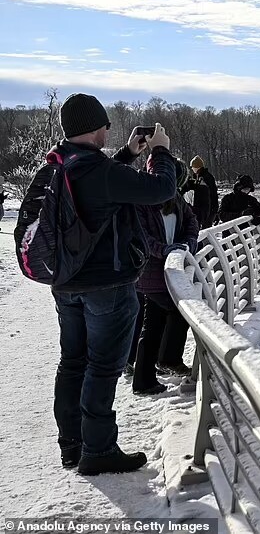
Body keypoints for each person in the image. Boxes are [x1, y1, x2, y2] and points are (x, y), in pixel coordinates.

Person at [17, 93, 176, 476]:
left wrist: (126, 154)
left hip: (66, 283)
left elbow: (98, 189)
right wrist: (161, 152)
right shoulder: (99, 172)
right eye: (105, 124)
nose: (108, 129)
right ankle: (99, 450)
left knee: (72, 362)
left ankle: (72, 445)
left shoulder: (60, 164)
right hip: (107, 286)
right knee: (103, 367)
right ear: (95, 127)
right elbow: (161, 190)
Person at [128, 159, 199, 395]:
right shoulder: (141, 202)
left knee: (157, 321)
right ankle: (161, 365)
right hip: (150, 272)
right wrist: (164, 250)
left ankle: (151, 373)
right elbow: (141, 238)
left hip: (170, 271)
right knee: (172, 315)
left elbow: (192, 222)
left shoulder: (176, 200)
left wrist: (188, 243)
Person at [188, 156, 218, 227]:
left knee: (206, 229)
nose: (192, 169)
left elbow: (212, 194)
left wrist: (214, 210)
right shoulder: (196, 177)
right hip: (199, 208)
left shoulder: (206, 178)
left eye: (193, 167)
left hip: (207, 209)